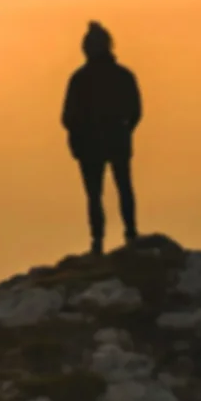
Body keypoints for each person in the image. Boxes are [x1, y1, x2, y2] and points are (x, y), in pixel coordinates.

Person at [62, 21, 141, 253]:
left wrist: (78, 137)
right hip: (112, 140)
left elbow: (68, 116)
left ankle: (100, 240)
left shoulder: (80, 79)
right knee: (119, 188)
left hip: (94, 143)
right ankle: (128, 234)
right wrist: (123, 131)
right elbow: (136, 111)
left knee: (98, 193)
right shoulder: (122, 76)